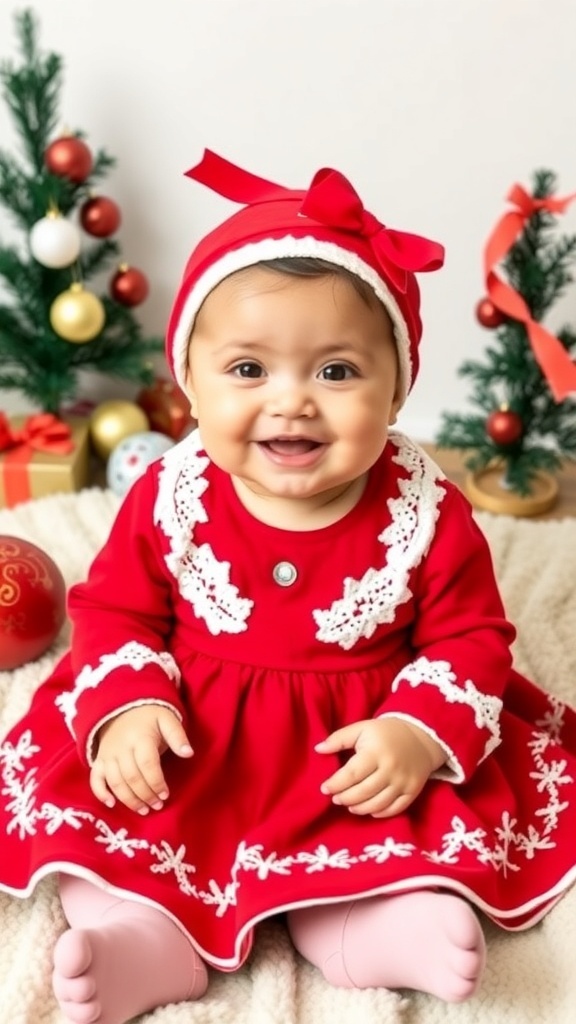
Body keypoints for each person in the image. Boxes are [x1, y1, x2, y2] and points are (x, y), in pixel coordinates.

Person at [1, 149, 575, 1024]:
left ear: (397, 389)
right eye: (247, 370)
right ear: (188, 382)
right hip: (192, 740)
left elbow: (471, 639)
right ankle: (142, 941)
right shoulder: (170, 495)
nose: (292, 402)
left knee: (388, 837)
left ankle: (375, 929)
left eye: (338, 372)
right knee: (112, 827)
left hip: (352, 744)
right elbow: (114, 610)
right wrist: (126, 707)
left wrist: (417, 734)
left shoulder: (426, 512)